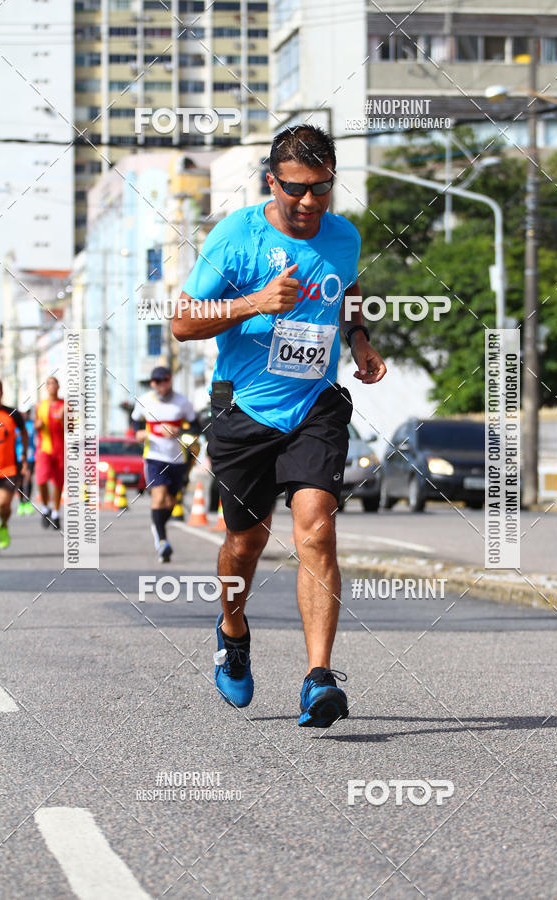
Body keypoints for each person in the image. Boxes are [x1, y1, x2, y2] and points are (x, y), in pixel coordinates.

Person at [173, 125, 386, 727]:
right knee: (246, 544)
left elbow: (347, 288)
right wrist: (253, 303)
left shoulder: (344, 236)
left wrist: (360, 339)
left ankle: (319, 677)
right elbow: (184, 323)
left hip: (314, 406)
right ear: (273, 180)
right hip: (243, 409)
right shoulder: (236, 236)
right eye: (297, 189)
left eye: (322, 189)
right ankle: (233, 629)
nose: (310, 203)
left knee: (316, 530)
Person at [132, 366, 198, 563]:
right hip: (153, 457)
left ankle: (158, 526)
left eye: (165, 380)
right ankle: (162, 542)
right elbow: (135, 421)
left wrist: (179, 432)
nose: (162, 384)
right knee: (159, 497)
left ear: (170, 380)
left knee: (170, 502)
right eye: (157, 381)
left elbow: (196, 427)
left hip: (177, 459)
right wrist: (139, 433)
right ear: (152, 383)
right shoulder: (144, 401)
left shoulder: (182, 402)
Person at [0, 379, 28, 554]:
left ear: (2, 392)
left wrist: (23, 456)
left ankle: (4, 524)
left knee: (3, 506)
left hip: (7, 470)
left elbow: (24, 432)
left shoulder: (12, 414)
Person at [35, 376, 65, 529]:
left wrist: (65, 418)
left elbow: (73, 428)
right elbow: (35, 425)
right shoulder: (40, 405)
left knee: (59, 483)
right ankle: (45, 507)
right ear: (46, 388)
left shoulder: (65, 405)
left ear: (58, 386)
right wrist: (38, 424)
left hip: (60, 450)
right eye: (49, 384)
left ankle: (55, 513)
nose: (52, 386)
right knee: (41, 479)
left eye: (55, 383)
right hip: (44, 450)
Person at [15, 408, 36, 515]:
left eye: (28, 412)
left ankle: (27, 501)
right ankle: (21, 503)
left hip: (30, 456)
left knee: (28, 476)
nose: (25, 414)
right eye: (24, 412)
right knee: (19, 480)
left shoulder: (32, 424)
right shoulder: (16, 425)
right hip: (18, 456)